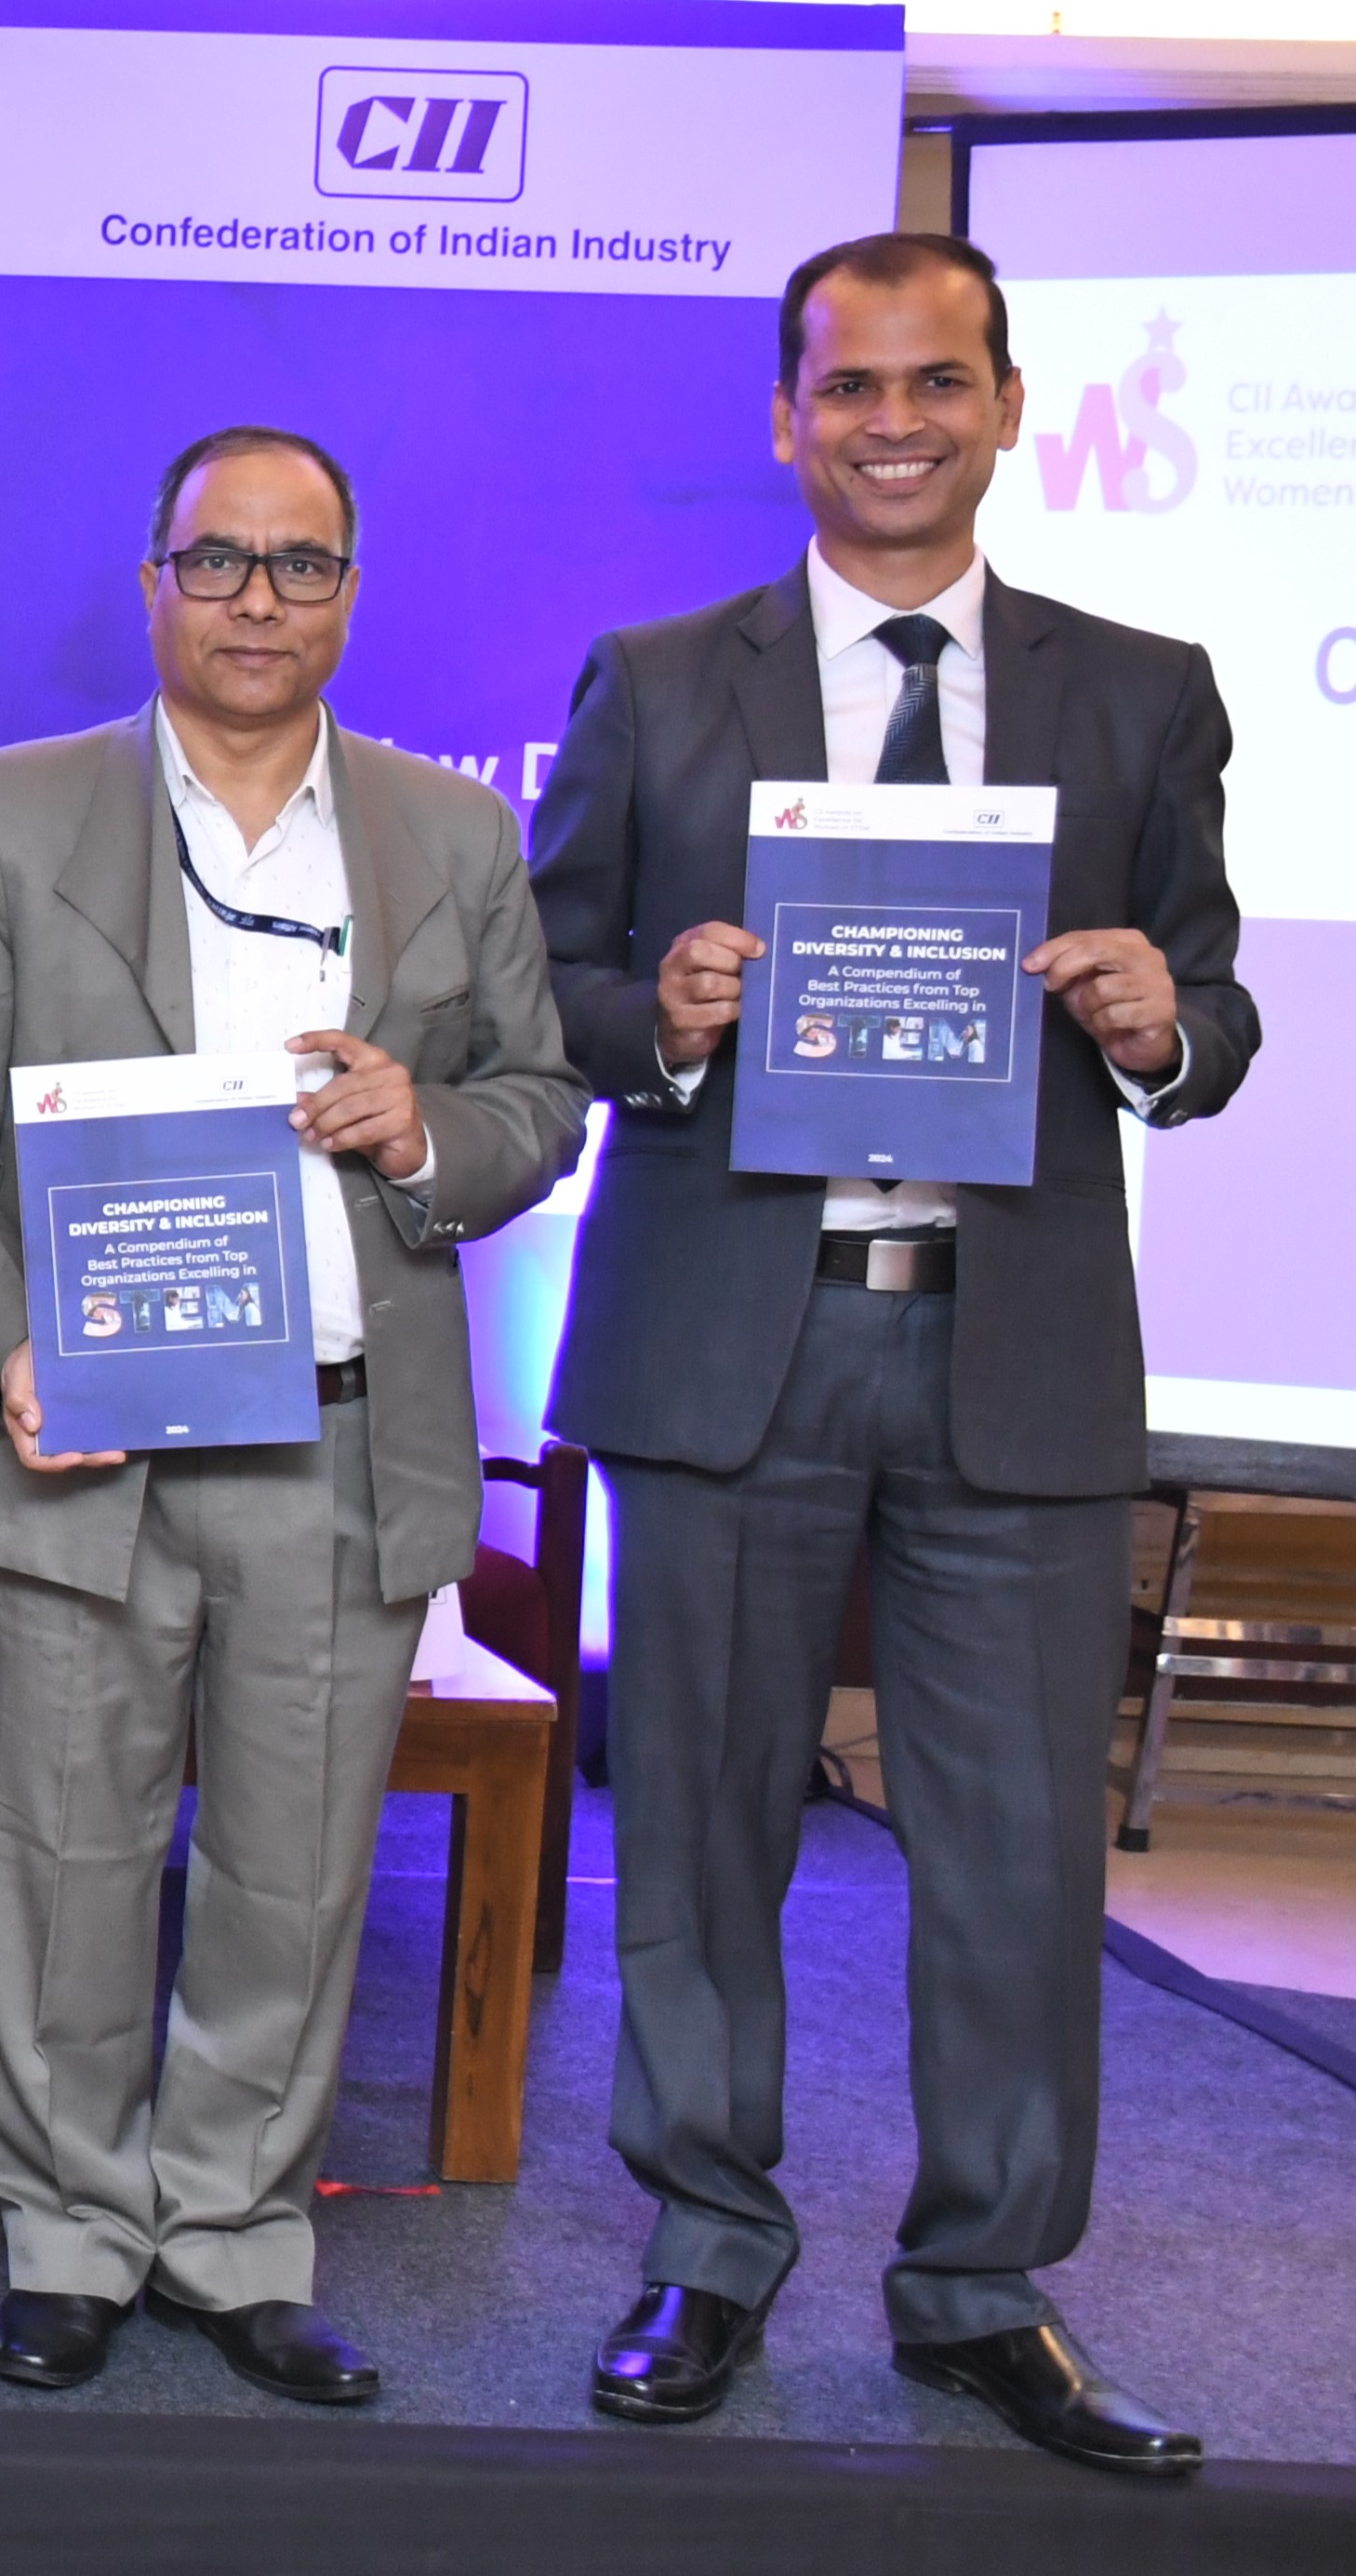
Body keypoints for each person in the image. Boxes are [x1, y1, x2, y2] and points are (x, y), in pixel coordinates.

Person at [528, 234, 1251, 2475]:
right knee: (704, 1825)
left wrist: (1165, 1022)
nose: (896, 421)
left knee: (1020, 1852)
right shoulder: (663, 679)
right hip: (729, 1336)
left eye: (940, 381)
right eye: (851, 386)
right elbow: (541, 987)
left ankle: (979, 2288)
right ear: (788, 416)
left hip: (1011, 1349)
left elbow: (1218, 1007)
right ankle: (708, 2243)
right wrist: (661, 1014)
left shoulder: (1142, 691)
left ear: (1011, 405)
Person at [0, 426, 587, 2401]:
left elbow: (540, 1102)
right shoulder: (13, 808)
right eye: (217, 560)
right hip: (85, 1430)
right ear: (152, 581)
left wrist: (426, 1129)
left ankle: (238, 2227)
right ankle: (70, 2223)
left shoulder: (453, 830)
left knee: (295, 1867)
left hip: (336, 1437)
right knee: (64, 1855)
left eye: (300, 563)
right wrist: (3, 1343)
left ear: (351, 590)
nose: (257, 599)